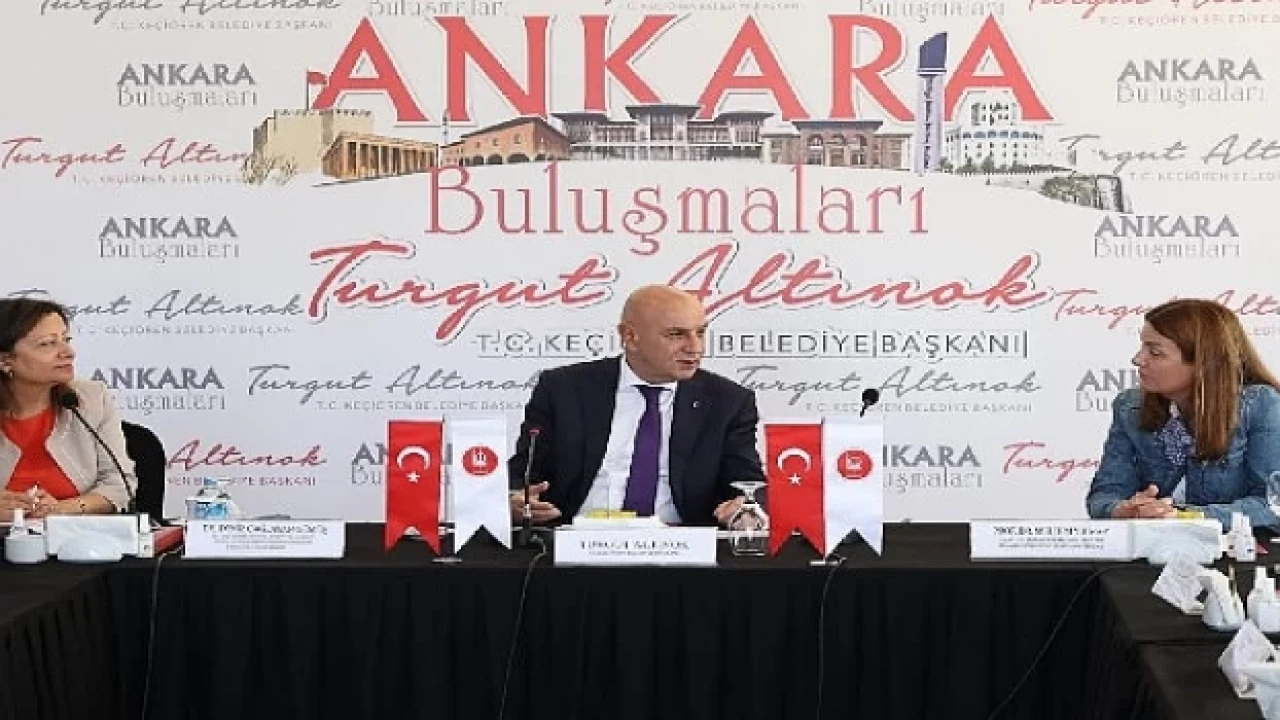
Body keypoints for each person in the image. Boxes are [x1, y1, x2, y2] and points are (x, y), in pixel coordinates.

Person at [506, 285, 765, 527]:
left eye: (700, 333)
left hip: (680, 544)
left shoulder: (727, 401)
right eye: (676, 334)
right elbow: (524, 472)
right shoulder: (563, 389)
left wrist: (745, 507)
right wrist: (514, 500)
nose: (695, 347)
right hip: (576, 538)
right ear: (630, 336)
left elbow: (748, 484)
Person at [1086, 298, 1280, 530]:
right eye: (1142, 347)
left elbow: (1272, 505)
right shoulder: (1129, 407)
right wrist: (1123, 510)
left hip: (1236, 550)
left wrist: (1184, 517)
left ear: (1203, 362)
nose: (1137, 359)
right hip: (1154, 547)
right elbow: (1105, 494)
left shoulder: (1262, 405)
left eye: (1155, 352)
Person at [0, 298, 135, 518]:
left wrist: (60, 509)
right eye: (47, 344)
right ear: (5, 361)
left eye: (66, 339)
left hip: (77, 536)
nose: (68, 352)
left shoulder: (91, 399)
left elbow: (119, 486)